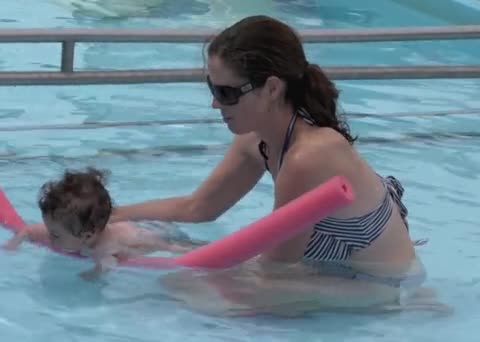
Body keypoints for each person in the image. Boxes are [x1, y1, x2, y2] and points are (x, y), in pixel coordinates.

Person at [105, 15, 433, 315]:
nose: (215, 102)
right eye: (211, 87)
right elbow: (198, 207)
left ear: (273, 88)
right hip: (329, 271)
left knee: (188, 288)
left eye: (226, 92)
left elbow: (274, 267)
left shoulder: (308, 159)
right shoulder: (257, 139)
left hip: (383, 288)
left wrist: (158, 252)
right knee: (162, 247)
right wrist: (114, 216)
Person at [3, 167, 205, 280]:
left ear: (87, 236)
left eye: (55, 235)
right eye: (49, 230)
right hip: (127, 228)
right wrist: (12, 245)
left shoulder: (102, 248)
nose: (49, 236)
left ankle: (203, 248)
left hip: (144, 236)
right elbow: (28, 231)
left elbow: (107, 265)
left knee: (175, 248)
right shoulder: (62, 228)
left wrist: (92, 275)